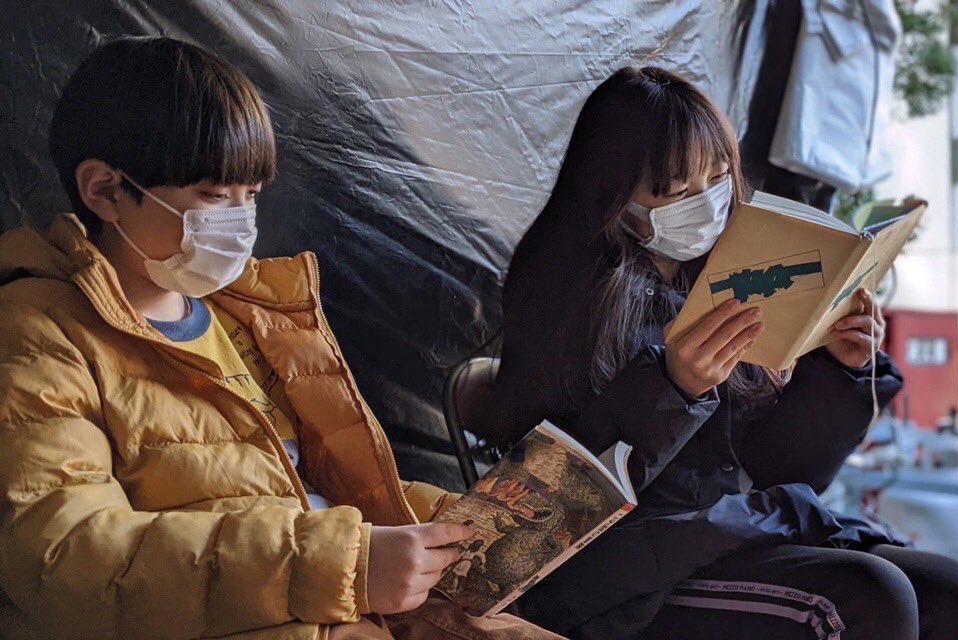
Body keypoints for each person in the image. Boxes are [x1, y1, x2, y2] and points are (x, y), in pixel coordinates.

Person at [0, 36, 562, 640]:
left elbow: (318, 487)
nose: (241, 222)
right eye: (214, 196)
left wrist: (463, 524)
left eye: (251, 196)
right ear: (105, 190)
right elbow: (66, 558)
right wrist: (343, 564)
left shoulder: (244, 318)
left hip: (331, 599)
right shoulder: (37, 332)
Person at [477, 66, 958, 640]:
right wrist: (671, 388)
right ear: (609, 191)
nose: (705, 203)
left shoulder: (724, 277)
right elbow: (548, 499)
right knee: (869, 595)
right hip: (616, 570)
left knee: (951, 591)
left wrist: (840, 370)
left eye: (719, 177)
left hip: (712, 532)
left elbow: (777, 469)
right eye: (676, 190)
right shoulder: (562, 293)